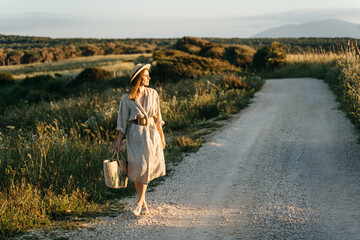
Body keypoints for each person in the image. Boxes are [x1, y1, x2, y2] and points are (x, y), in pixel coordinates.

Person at [115, 63, 166, 216]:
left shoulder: (153, 94)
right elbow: (122, 122)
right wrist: (118, 141)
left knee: (146, 168)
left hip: (151, 133)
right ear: (139, 78)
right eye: (145, 75)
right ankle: (143, 203)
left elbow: (158, 117)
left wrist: (162, 136)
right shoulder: (126, 98)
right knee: (138, 169)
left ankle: (138, 203)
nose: (149, 77)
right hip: (134, 135)